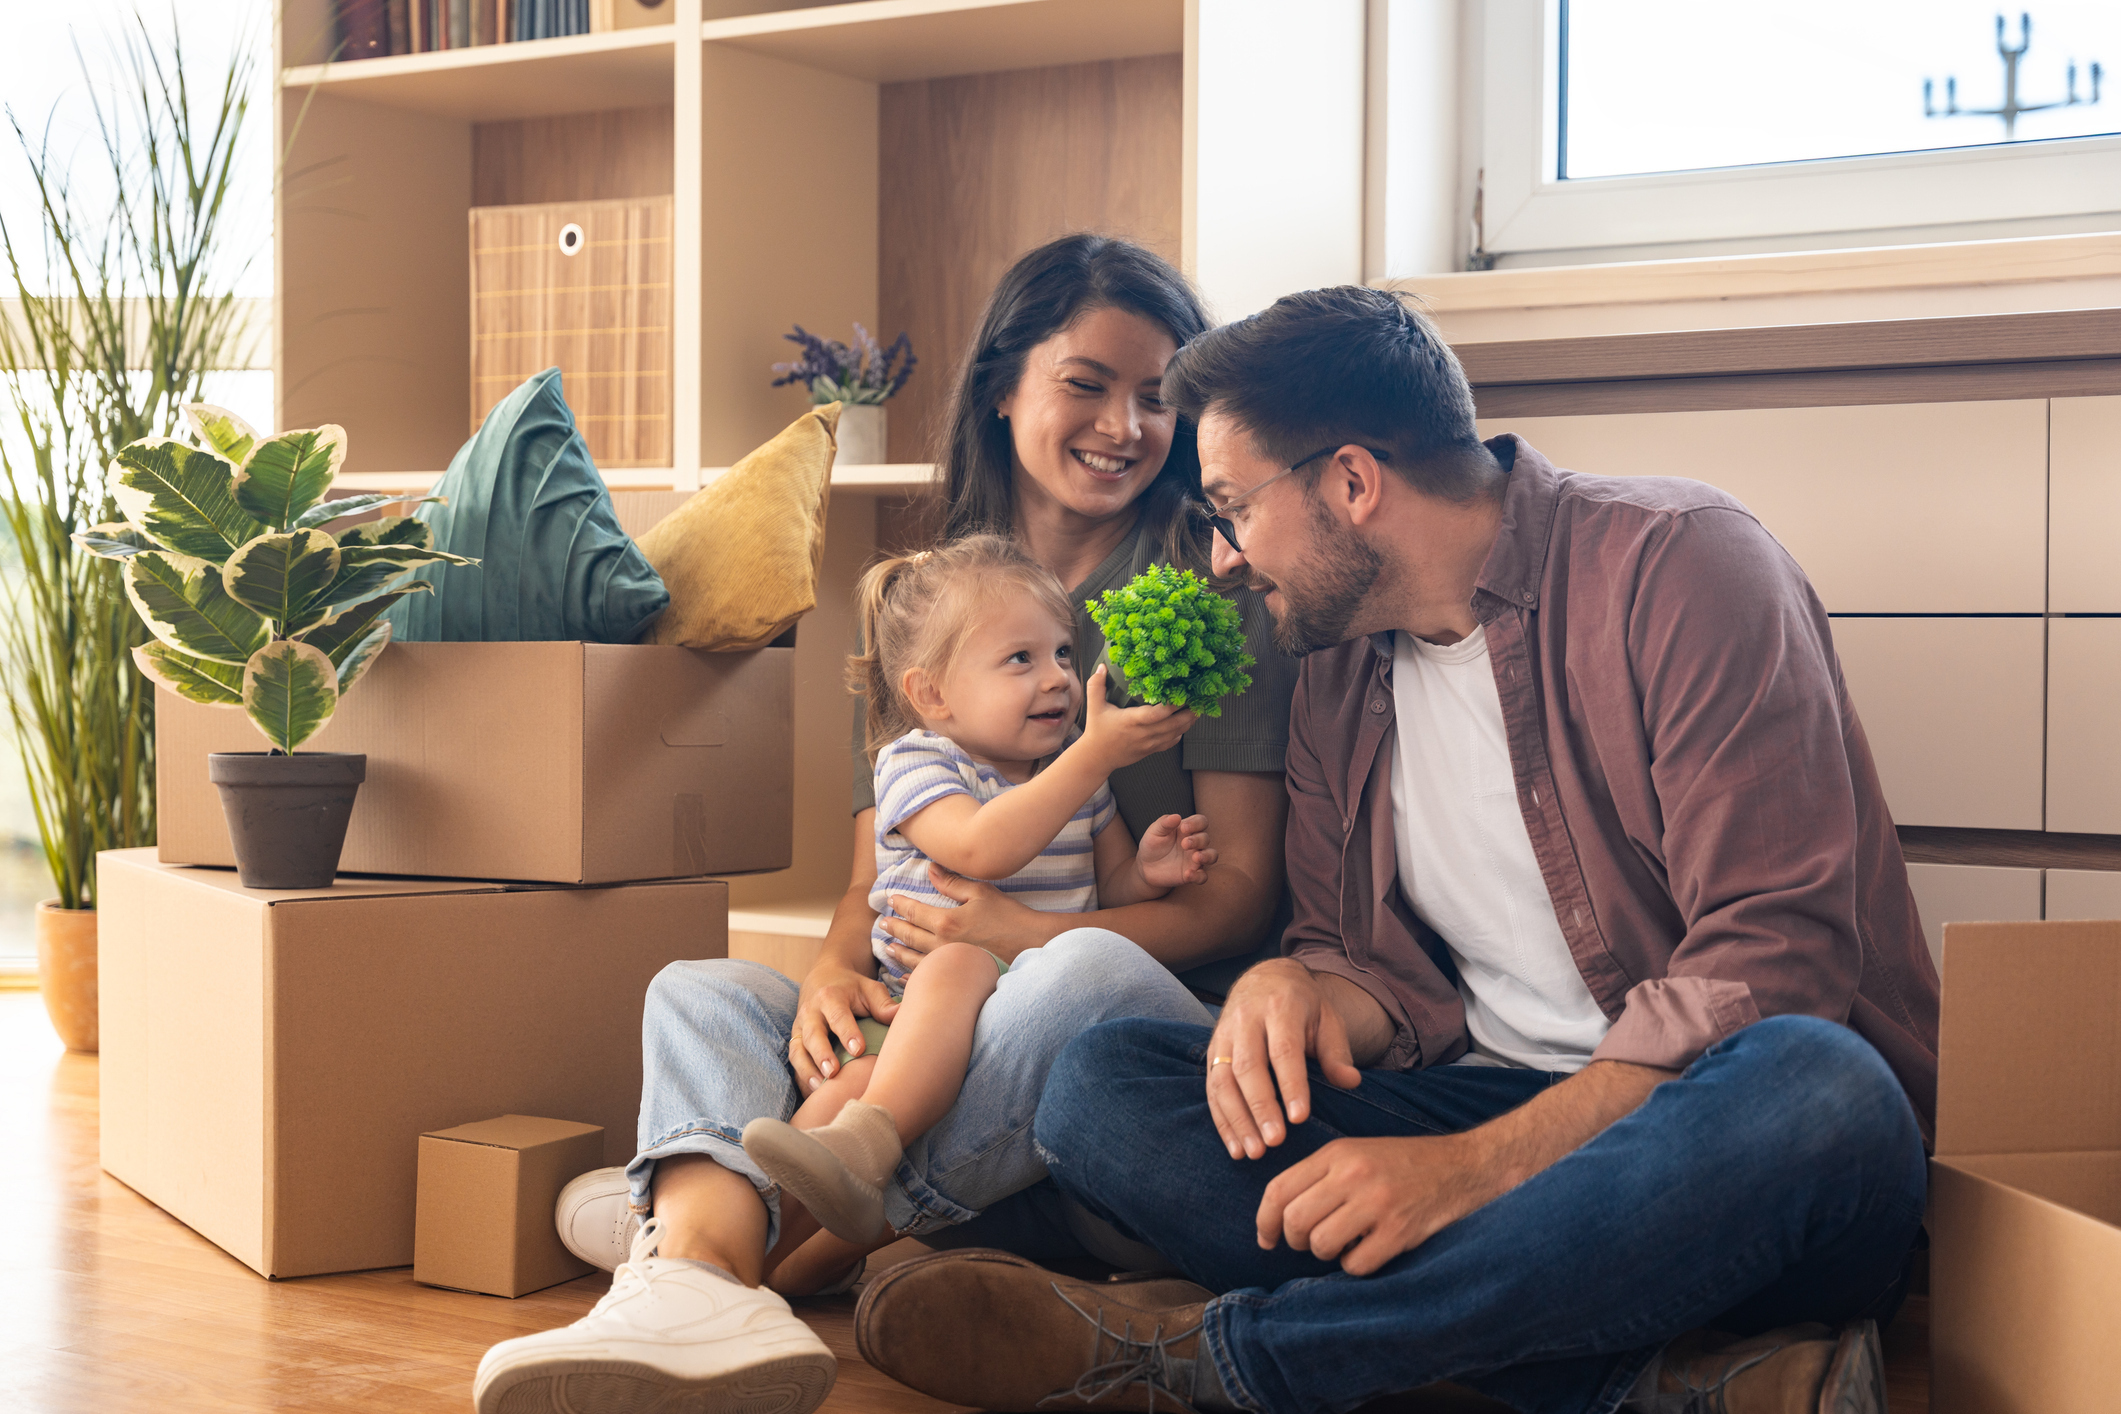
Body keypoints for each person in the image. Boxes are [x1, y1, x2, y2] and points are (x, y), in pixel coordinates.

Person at [850, 286, 1941, 1414]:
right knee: (1105, 1088)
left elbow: (1773, 968)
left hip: (1710, 1140)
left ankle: (1218, 1362)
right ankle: (1668, 1382)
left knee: (1822, 1085)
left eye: (1232, 509)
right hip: (1484, 1101)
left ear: (1353, 483)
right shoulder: (1335, 663)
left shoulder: (1681, 565)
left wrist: (1468, 1174)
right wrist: (1297, 982)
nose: (1223, 560)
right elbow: (1366, 965)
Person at [472, 235, 1299, 1414]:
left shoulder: (1210, 602)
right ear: (1003, 386)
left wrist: (1014, 928)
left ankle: (721, 1236)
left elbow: (1239, 900)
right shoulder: (924, 602)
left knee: (1069, 971)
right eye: (1087, 384)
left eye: (1157, 396)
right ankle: (702, 1280)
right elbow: (879, 875)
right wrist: (824, 971)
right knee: (700, 992)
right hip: (936, 1019)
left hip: (1117, 1031)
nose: (1126, 423)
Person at [741, 535, 1218, 1243]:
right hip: (911, 1012)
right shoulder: (916, 763)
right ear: (931, 694)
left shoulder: (1074, 780)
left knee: (960, 979)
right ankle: (761, 1236)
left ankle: (818, 1226)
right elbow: (980, 847)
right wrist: (1095, 753)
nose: (1056, 677)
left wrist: (1146, 872)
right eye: (1019, 659)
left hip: (1028, 1024)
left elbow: (1105, 895)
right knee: (847, 1088)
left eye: (1062, 652)